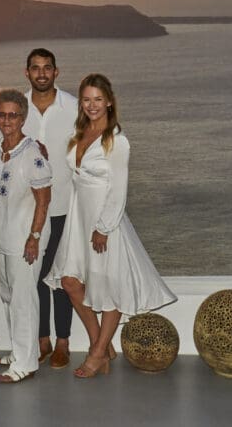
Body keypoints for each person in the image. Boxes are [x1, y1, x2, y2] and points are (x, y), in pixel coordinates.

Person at [45, 74, 176, 378]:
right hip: (78, 218)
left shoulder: (117, 141)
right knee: (70, 281)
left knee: (108, 286)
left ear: (109, 101)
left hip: (104, 222)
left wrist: (103, 227)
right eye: (86, 99)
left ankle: (96, 354)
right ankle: (99, 344)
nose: (92, 105)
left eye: (97, 99)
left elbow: (119, 189)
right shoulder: (80, 134)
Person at [0, 89, 52, 384]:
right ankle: (21, 349)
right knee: (9, 295)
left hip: (25, 238)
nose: (7, 120)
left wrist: (34, 236)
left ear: (22, 117)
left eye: (13, 115)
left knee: (24, 298)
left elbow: (44, 199)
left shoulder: (32, 154)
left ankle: (26, 363)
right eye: (2, 114)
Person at [22, 47, 78, 368]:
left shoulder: (72, 107)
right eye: (35, 68)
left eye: (47, 68)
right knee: (35, 276)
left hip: (64, 207)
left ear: (56, 71)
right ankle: (41, 340)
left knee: (60, 278)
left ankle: (63, 342)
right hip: (28, 209)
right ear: (26, 72)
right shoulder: (18, 107)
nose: (41, 73)